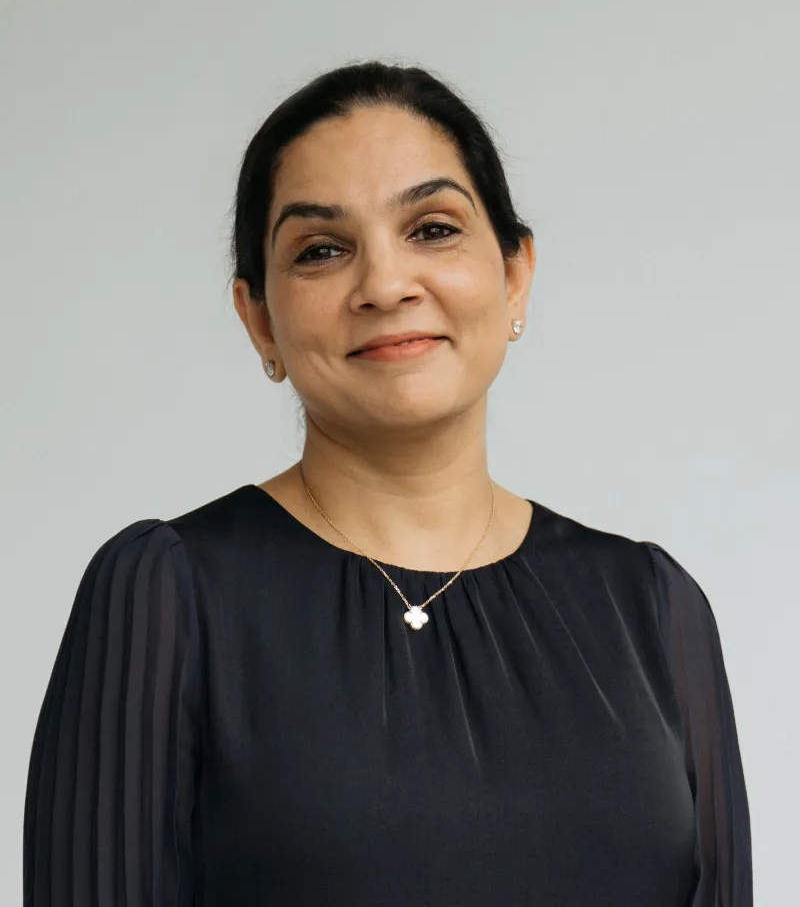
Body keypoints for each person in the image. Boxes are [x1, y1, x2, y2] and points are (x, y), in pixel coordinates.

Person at [23, 61, 752, 906]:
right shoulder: (168, 595)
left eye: (433, 228)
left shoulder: (654, 610)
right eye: (322, 250)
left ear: (516, 274)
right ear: (258, 318)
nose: (384, 285)